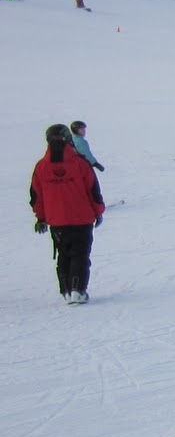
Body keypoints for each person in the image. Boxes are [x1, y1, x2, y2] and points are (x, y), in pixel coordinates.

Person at [31, 123, 106, 304]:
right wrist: (98, 212)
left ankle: (66, 291)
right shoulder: (80, 163)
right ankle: (77, 291)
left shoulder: (41, 167)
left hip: (57, 221)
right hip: (81, 219)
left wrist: (41, 218)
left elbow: (36, 196)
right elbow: (93, 191)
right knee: (80, 255)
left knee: (64, 255)